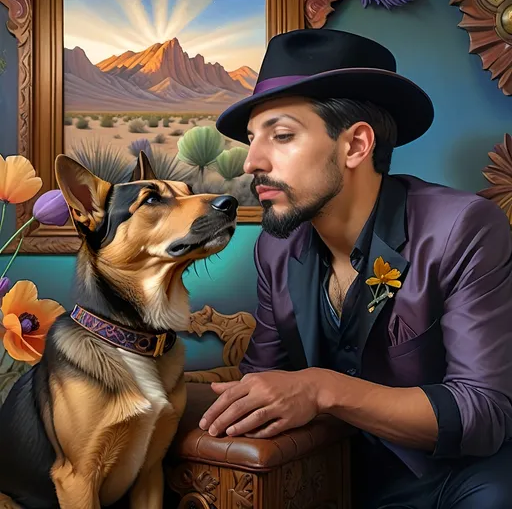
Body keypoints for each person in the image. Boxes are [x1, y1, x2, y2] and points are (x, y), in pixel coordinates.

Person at [199, 29, 512, 508]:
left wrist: (323, 387)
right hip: (325, 474)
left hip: (456, 483)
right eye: (252, 140)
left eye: (281, 136)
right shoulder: (275, 250)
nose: (251, 161)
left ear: (355, 145)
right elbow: (260, 383)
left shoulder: (462, 228)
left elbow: (482, 413)